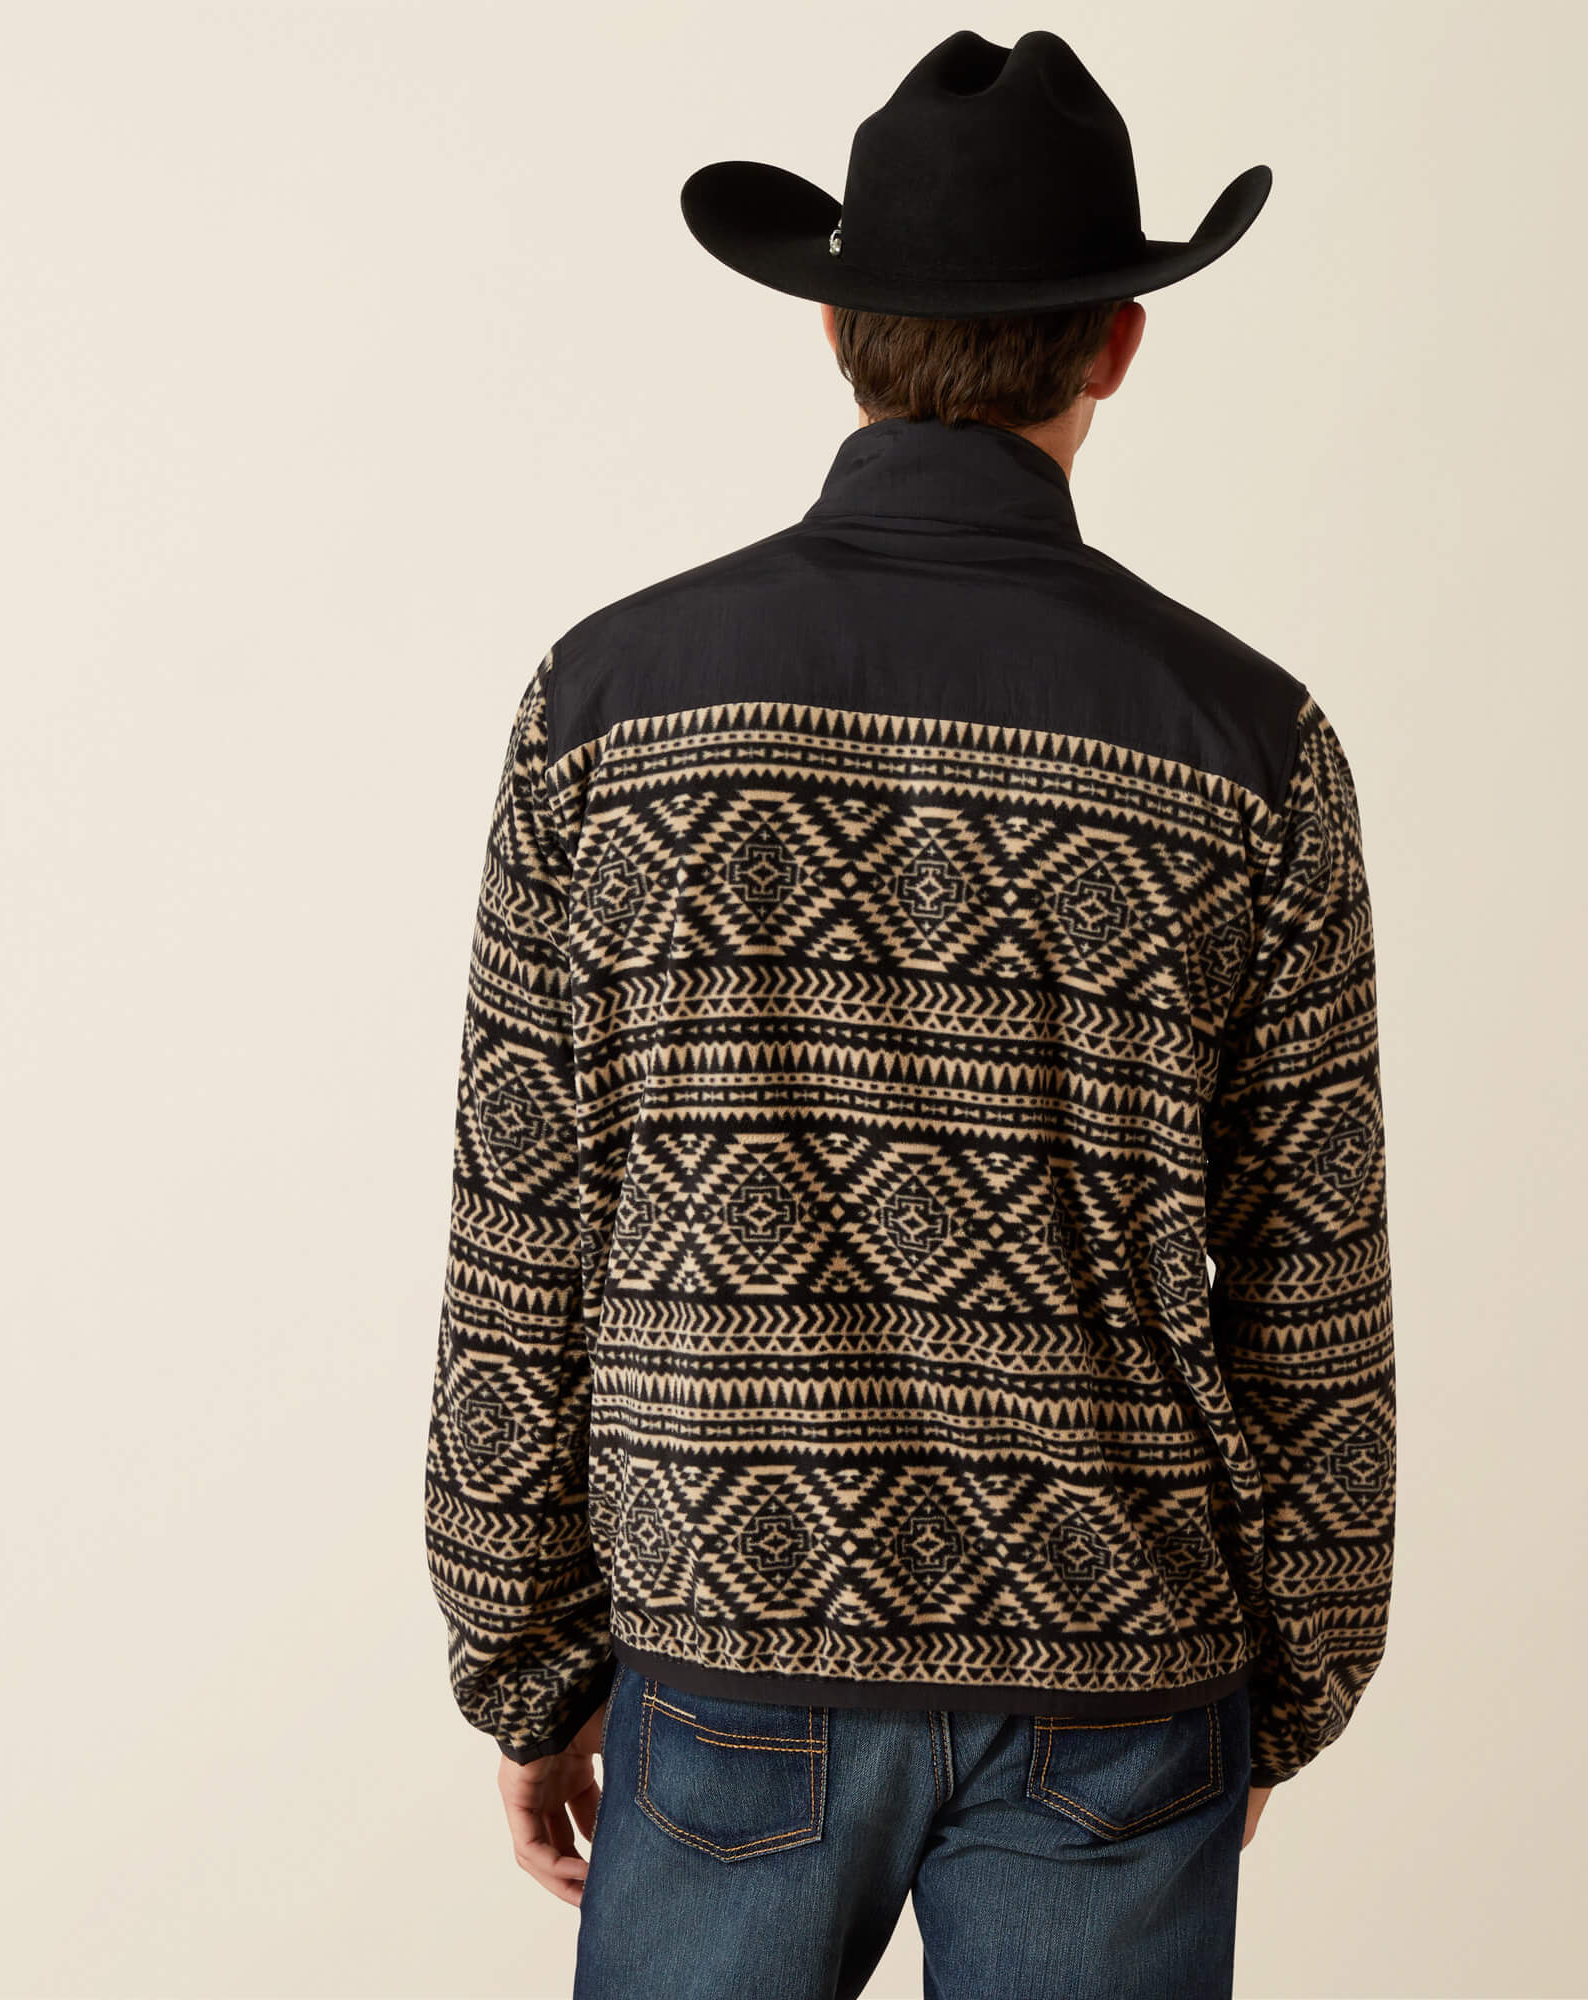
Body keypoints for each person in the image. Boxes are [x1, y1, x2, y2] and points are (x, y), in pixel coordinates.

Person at [424, 28, 1395, 2000]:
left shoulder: (604, 709)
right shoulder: (1248, 746)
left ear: (835, 331)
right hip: (1119, 1675)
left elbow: (525, 1234)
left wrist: (525, 1663)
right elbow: (1312, 1287)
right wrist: (1279, 1688)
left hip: (727, 1643)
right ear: (1118, 342)